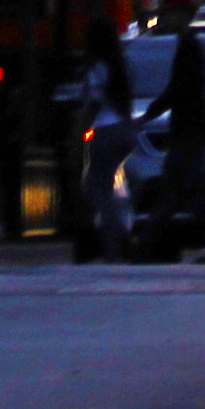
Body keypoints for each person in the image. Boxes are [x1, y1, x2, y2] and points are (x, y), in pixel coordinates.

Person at [154, 3, 205, 260]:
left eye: (169, 12)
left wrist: (149, 114)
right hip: (189, 128)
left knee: (190, 189)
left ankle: (147, 246)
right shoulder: (188, 45)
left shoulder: (190, 47)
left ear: (183, 14)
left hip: (188, 129)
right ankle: (148, 245)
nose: (165, 18)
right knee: (181, 188)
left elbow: (181, 89)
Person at [72, 19, 132, 260]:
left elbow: (94, 103)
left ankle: (117, 241)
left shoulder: (97, 67)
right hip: (122, 129)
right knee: (105, 187)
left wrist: (82, 130)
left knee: (96, 189)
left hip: (104, 131)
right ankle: (115, 242)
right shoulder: (120, 65)